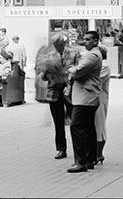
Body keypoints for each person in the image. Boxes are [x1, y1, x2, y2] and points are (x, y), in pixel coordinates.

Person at [66, 29, 103, 174]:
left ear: (95, 41)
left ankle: (80, 161)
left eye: (88, 39)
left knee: (76, 126)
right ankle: (90, 159)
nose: (85, 42)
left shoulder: (93, 55)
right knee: (88, 128)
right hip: (87, 96)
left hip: (85, 97)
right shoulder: (92, 54)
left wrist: (70, 68)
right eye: (84, 39)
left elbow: (77, 71)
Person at [37, 32, 77, 160]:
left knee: (75, 121)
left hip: (70, 91)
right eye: (56, 45)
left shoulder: (74, 54)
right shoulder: (48, 57)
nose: (58, 47)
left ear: (65, 43)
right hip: (54, 92)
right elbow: (42, 76)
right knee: (58, 122)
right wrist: (47, 73)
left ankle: (78, 148)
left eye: (60, 44)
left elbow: (79, 70)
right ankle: (61, 149)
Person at [94, 37, 111, 166]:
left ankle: (99, 153)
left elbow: (94, 80)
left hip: (99, 99)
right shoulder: (97, 66)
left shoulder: (104, 67)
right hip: (91, 98)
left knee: (99, 125)